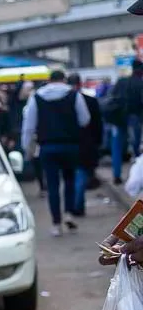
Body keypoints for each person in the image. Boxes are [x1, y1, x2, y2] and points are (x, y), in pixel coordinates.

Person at [21, 70, 91, 237]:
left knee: (52, 186)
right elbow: (84, 119)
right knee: (69, 181)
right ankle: (69, 213)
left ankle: (56, 224)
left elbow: (29, 126)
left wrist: (27, 149)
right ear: (64, 79)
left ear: (49, 80)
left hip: (47, 147)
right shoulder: (74, 95)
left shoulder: (36, 97)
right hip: (70, 145)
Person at [68, 73, 104, 215]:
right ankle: (78, 204)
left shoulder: (64, 101)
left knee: (73, 175)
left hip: (71, 143)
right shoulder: (91, 100)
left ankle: (75, 205)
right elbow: (98, 124)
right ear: (80, 84)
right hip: (88, 143)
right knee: (82, 173)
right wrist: (98, 142)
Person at [104, 60, 143, 185]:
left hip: (118, 119)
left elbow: (111, 98)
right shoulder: (140, 83)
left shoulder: (121, 81)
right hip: (135, 118)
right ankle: (137, 176)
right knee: (136, 147)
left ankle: (117, 175)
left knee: (117, 148)